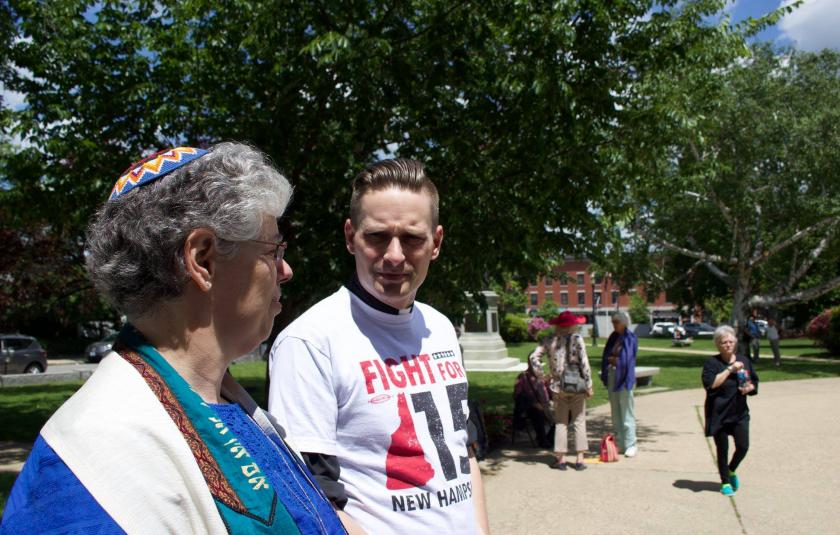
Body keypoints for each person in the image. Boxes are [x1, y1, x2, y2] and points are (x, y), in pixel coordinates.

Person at [1, 144, 346, 534]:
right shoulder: (94, 461)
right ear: (203, 260)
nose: (286, 270)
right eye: (272, 249)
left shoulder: (224, 400)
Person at [268, 159, 489, 534]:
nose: (395, 256)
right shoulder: (309, 342)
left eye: (413, 238)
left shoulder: (441, 328)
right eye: (377, 236)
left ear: (436, 243)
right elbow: (309, 498)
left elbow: (463, 450)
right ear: (350, 235)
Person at [529, 311, 593, 471]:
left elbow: (533, 357)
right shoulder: (577, 339)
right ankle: (579, 459)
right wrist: (589, 385)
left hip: (558, 387)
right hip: (577, 386)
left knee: (561, 423)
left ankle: (561, 459)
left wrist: (541, 375)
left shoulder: (549, 340)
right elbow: (584, 363)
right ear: (573, 324)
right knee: (579, 421)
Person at [702, 325, 759, 496]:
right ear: (718, 345)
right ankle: (725, 482)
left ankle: (731, 469)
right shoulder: (712, 363)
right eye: (723, 342)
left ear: (735, 342)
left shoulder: (744, 360)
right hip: (719, 413)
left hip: (739, 412)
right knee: (722, 449)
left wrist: (750, 387)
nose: (728, 344)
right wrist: (730, 369)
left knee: (743, 446)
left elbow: (754, 381)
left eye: (730, 341)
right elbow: (711, 384)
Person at [601, 310, 638, 458]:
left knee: (627, 412)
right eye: (613, 322)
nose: (613, 325)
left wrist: (616, 360)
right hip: (612, 376)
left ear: (623, 323)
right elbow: (606, 355)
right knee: (615, 412)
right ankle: (620, 443)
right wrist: (610, 361)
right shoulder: (613, 337)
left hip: (624, 378)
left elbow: (628, 359)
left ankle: (631, 444)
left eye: (616, 322)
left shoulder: (630, 338)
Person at [513, 357, 552, 449]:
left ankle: (549, 438)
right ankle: (542, 439)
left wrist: (550, 384)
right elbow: (517, 396)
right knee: (537, 412)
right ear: (529, 364)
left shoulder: (542, 377)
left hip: (545, 405)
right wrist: (534, 403)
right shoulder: (523, 377)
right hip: (529, 407)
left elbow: (550, 394)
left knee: (566, 412)